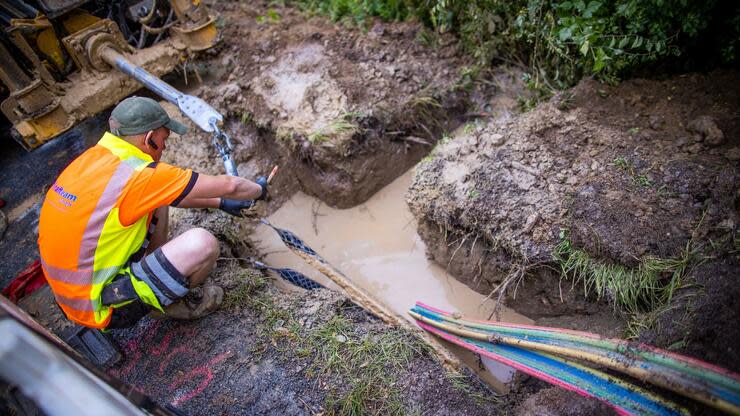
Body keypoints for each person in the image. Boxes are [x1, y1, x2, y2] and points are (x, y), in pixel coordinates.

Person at [38, 96, 264, 330]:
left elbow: (172, 194)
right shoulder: (139, 175)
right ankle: (165, 303)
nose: (165, 146)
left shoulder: (94, 159)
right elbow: (232, 185)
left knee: (160, 200)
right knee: (203, 244)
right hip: (105, 306)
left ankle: (152, 274)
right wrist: (259, 190)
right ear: (149, 139)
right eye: (164, 139)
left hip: (73, 293)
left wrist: (220, 203)